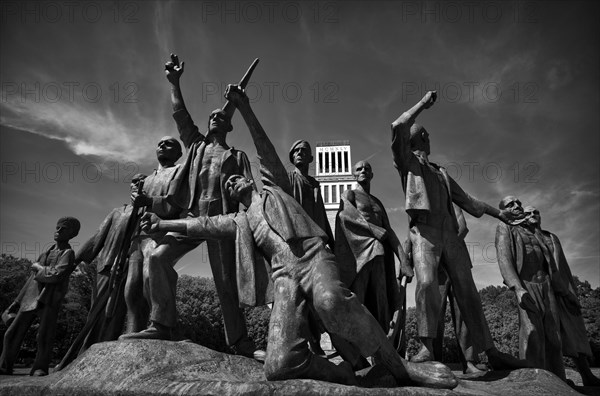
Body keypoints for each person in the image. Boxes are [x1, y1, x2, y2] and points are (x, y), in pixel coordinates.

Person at [138, 84, 458, 389]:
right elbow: (199, 227)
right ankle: (340, 372)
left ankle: (400, 367)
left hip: (313, 261)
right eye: (230, 184)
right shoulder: (239, 219)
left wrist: (246, 109)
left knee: (331, 301)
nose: (234, 182)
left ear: (250, 179)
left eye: (239, 178)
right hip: (285, 279)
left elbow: (265, 150)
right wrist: (161, 225)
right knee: (279, 365)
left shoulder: (276, 189)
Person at [122, 55, 261, 361]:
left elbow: (250, 193)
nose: (214, 118)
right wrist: (174, 82)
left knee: (226, 287)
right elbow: (180, 115)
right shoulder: (196, 146)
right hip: (190, 218)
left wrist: (253, 227)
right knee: (157, 259)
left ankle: (239, 342)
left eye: (220, 116)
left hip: (222, 223)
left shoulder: (237, 156)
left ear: (229, 124)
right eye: (211, 115)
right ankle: (163, 323)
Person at [390, 91, 528, 369]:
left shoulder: (441, 173)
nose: (430, 139)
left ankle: (488, 350)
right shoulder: (407, 163)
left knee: (468, 292)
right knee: (427, 284)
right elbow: (397, 126)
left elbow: (468, 201)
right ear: (420, 138)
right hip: (424, 233)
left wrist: (498, 213)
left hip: (449, 236)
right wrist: (422, 105)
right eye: (426, 134)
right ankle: (427, 348)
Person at [56, 174, 147, 370]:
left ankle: (106, 357)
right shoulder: (117, 212)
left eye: (143, 181)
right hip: (107, 266)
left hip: (133, 268)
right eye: (134, 181)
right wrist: (76, 260)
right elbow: (98, 237)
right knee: (97, 312)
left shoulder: (150, 213)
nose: (138, 184)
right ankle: (84, 355)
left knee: (118, 312)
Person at [526, 205, 600, 386]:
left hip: (562, 291)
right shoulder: (523, 237)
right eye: (528, 213)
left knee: (575, 332)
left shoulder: (551, 237)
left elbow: (563, 266)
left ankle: (585, 374)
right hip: (540, 290)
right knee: (549, 335)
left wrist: (570, 291)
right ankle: (556, 376)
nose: (532, 215)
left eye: (535, 212)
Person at [335, 160, 411, 332]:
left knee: (381, 297)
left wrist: (404, 261)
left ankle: (383, 340)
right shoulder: (350, 194)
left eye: (367, 168)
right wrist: (372, 229)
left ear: (371, 175)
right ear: (354, 175)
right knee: (357, 297)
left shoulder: (377, 202)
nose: (363, 170)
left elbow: (389, 232)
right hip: (358, 252)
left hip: (379, 253)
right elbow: (344, 216)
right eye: (359, 169)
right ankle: (356, 344)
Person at [495, 197, 565, 380]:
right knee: (531, 332)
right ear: (502, 210)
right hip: (526, 285)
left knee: (554, 336)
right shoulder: (505, 227)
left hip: (546, 286)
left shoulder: (535, 232)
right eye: (510, 205)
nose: (516, 206)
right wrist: (517, 288)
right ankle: (532, 379)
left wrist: (563, 291)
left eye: (518, 202)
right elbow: (505, 260)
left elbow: (552, 265)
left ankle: (560, 379)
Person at [0, 217, 81, 376]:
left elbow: (56, 275)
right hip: (30, 297)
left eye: (63, 229)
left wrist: (38, 267)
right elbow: (31, 280)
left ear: (72, 234)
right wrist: (17, 301)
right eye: (57, 227)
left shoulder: (68, 253)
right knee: (12, 333)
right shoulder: (46, 252)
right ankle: (4, 365)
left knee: (44, 335)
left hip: (49, 298)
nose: (57, 231)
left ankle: (40, 367)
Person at [124, 137, 182, 334]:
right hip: (137, 238)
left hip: (160, 231)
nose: (162, 146)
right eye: (159, 144)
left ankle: (165, 326)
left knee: (152, 277)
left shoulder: (180, 172)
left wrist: (149, 200)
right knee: (132, 289)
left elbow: (178, 203)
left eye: (169, 144)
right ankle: (134, 331)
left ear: (179, 153)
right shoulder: (146, 180)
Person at [287, 139, 333, 356]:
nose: (299, 153)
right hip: (296, 242)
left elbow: (322, 214)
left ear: (310, 158)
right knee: (298, 294)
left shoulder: (314, 184)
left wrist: (330, 241)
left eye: (304, 150)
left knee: (318, 293)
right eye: (296, 150)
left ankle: (316, 340)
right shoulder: (288, 178)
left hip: (315, 242)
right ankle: (305, 342)